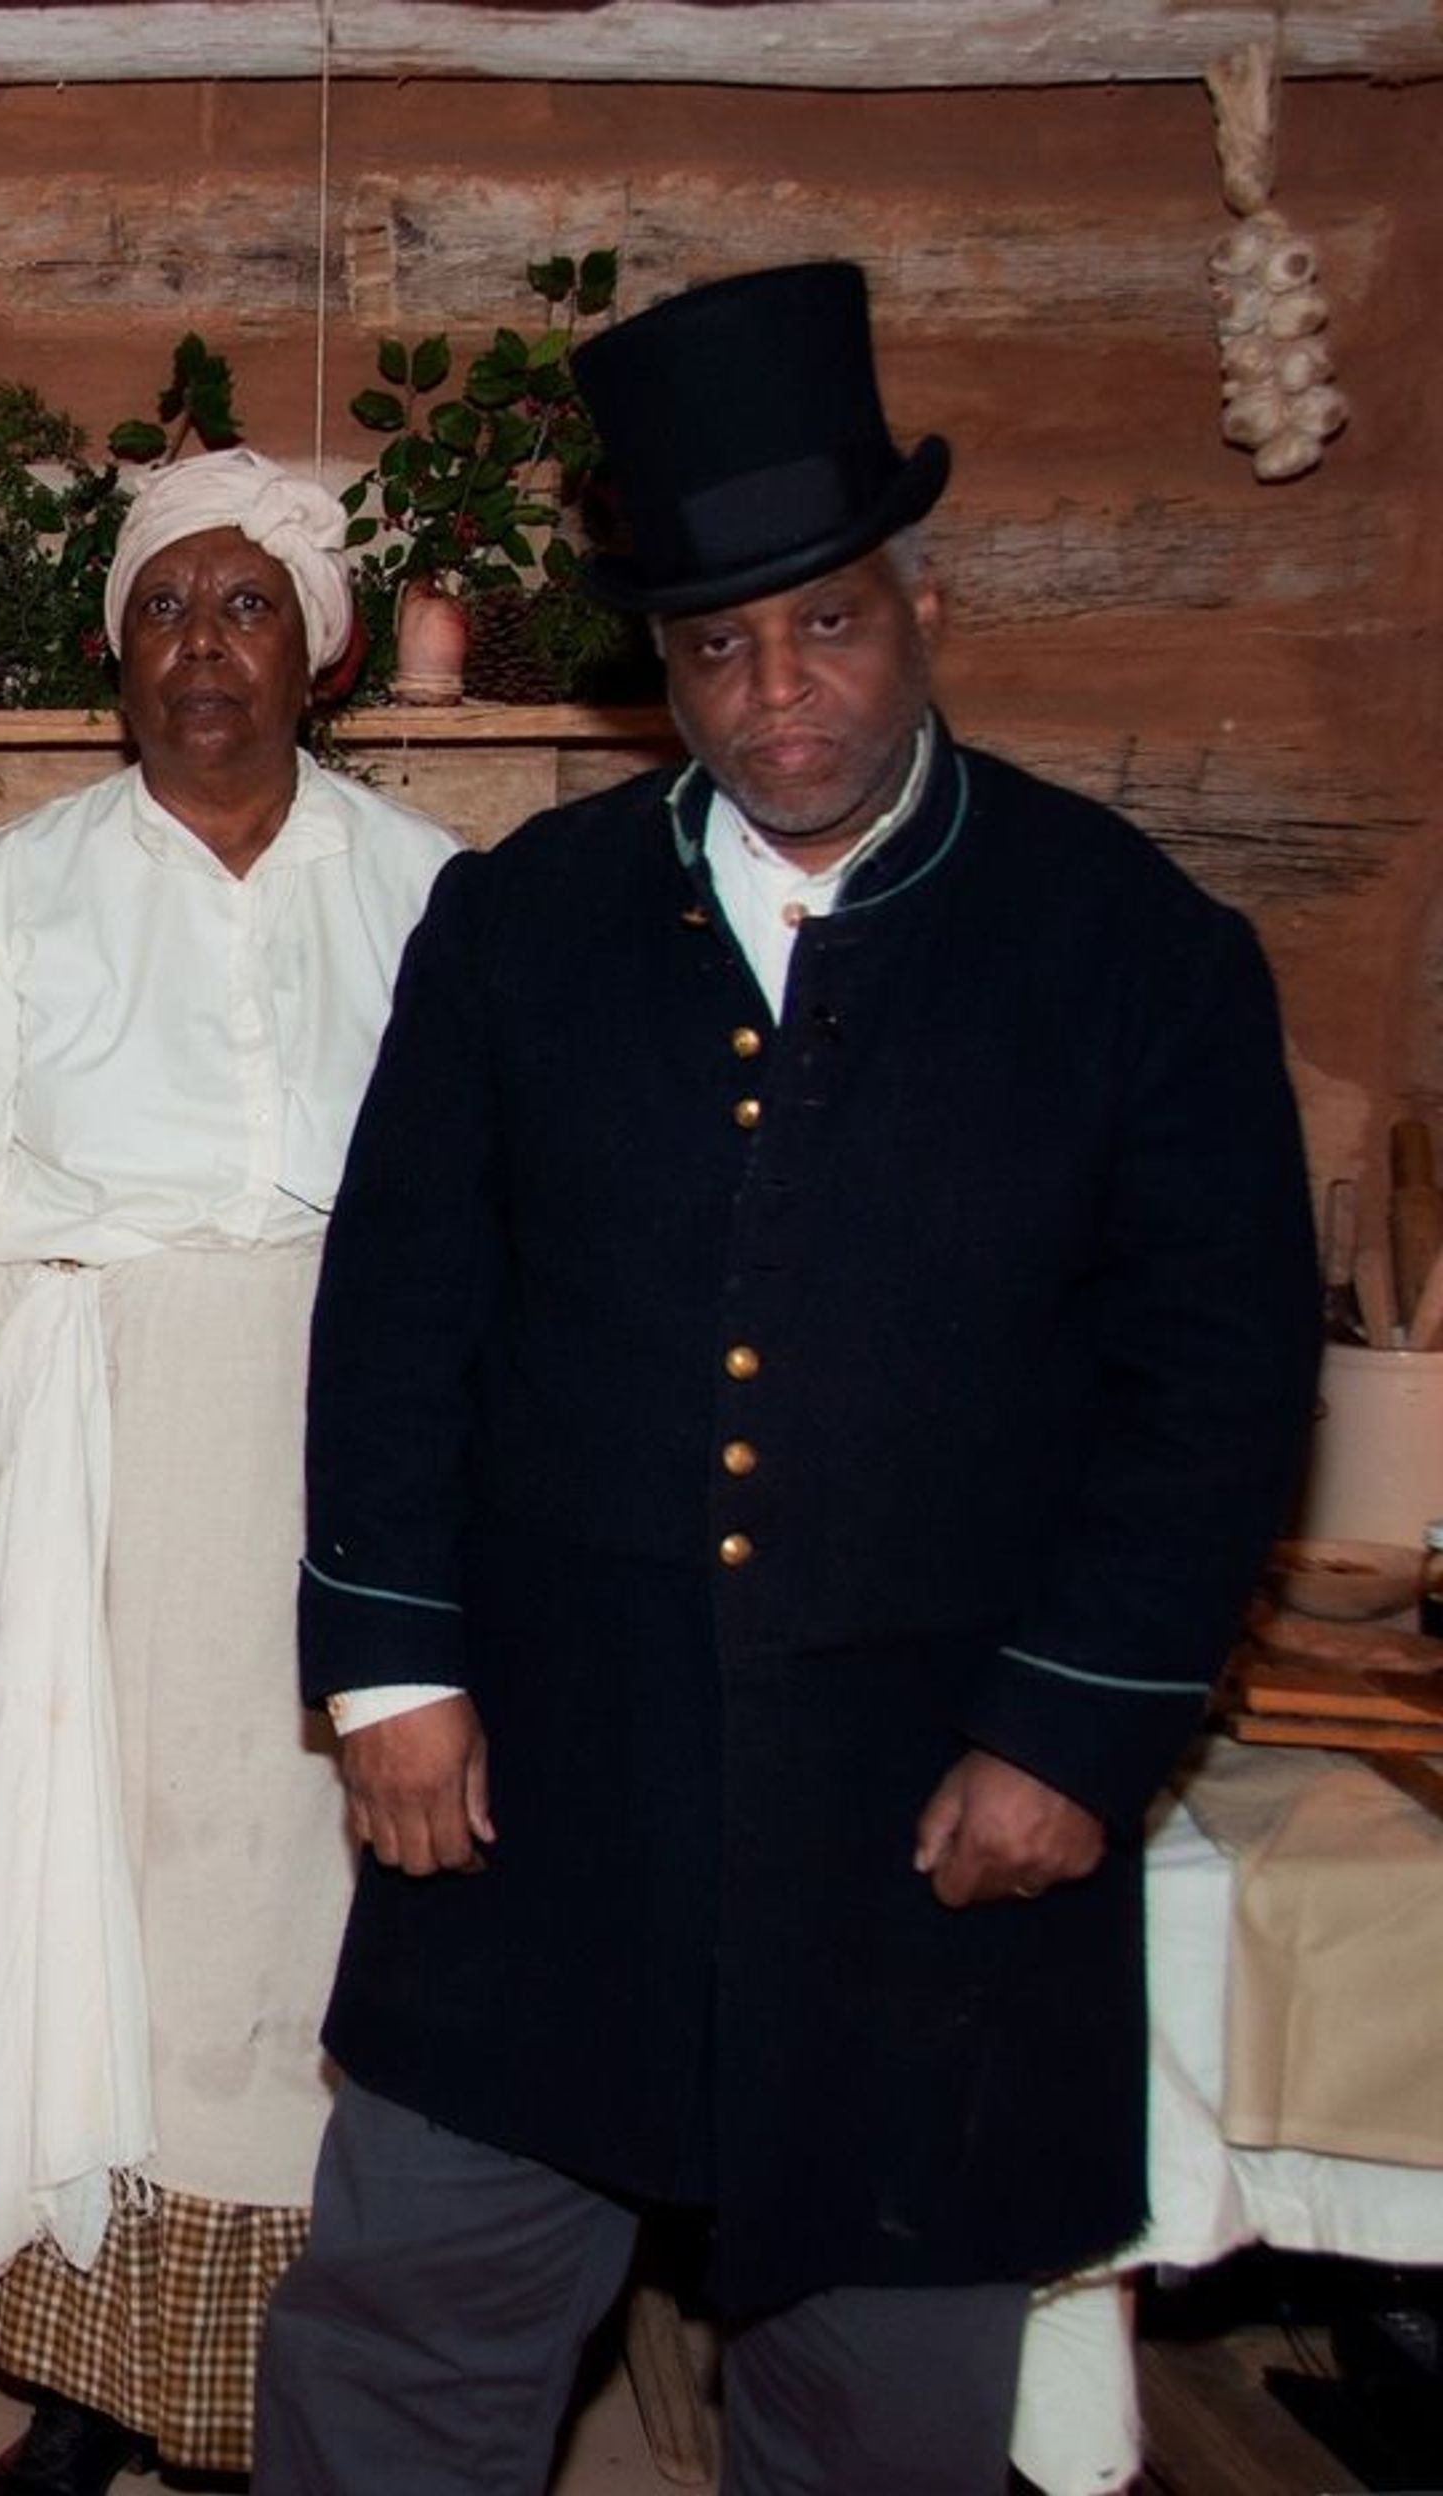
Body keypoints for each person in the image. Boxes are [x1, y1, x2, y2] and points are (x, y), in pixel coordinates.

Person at [254, 261, 1319, 2492]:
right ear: (665, 669)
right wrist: (388, 1672)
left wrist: (1075, 1731)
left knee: (874, 2422)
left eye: (822, 623)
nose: (775, 691)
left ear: (914, 604)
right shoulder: (523, 924)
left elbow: (1213, 1385)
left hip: (927, 1824)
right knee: (402, 2347)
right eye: (719, 645)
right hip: (544, 1784)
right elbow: (401, 1307)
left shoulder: (1131, 950)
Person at [0, 449, 459, 2494]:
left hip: (351, 1444)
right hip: (82, 1464)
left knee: (302, 1912)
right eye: (166, 607)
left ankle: (319, 2371)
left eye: (247, 602)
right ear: (116, 656)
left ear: (320, 649)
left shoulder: (436, 891)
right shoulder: (13, 904)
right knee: (100, 1898)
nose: (205, 644)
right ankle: (91, 2380)